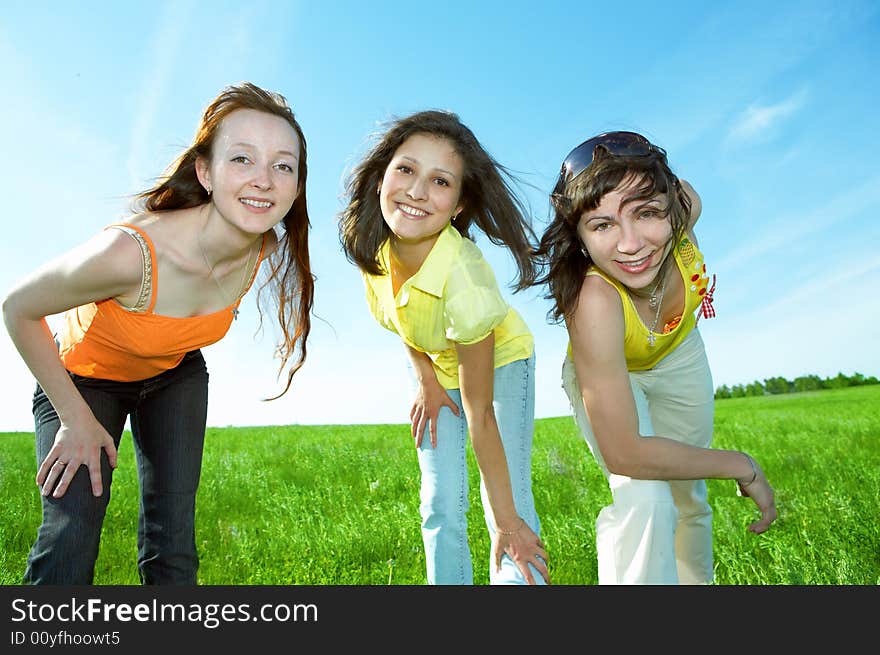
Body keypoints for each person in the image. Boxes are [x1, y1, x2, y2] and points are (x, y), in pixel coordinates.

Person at [2, 82, 314, 585]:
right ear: (205, 173)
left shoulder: (266, 245)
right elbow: (18, 307)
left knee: (174, 541)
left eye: (283, 165)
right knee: (72, 536)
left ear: (296, 187)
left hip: (174, 373)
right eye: (242, 159)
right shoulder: (130, 255)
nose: (263, 180)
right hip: (83, 379)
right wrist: (73, 418)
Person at [534, 130, 777, 584]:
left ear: (673, 208)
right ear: (580, 236)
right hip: (610, 368)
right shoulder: (592, 300)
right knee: (645, 497)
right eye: (602, 224)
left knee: (687, 495)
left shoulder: (687, 205)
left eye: (645, 213)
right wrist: (741, 465)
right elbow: (627, 453)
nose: (630, 244)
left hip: (679, 354)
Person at [338, 110, 549, 585]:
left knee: (507, 505)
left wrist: (509, 524)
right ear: (381, 177)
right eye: (406, 170)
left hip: (500, 362)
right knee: (439, 501)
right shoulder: (373, 249)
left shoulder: (466, 281)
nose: (415, 192)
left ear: (457, 205)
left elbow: (481, 414)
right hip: (440, 366)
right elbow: (401, 321)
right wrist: (427, 381)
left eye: (440, 181)